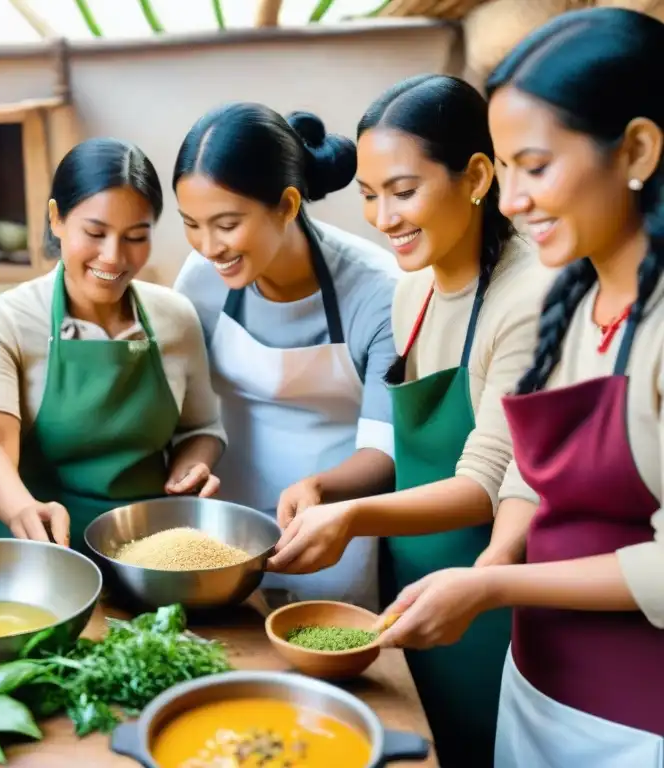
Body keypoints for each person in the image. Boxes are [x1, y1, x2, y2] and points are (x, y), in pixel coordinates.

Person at [372, 8, 664, 766]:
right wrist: (496, 567)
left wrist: (495, 588)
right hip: (534, 688)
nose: (508, 200)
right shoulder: (575, 303)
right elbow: (532, 473)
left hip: (638, 721)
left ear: (636, 148)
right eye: (506, 171)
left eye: (534, 167)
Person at [267, 75, 554, 768]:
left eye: (403, 191)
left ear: (478, 176)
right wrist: (330, 490)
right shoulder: (411, 292)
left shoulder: (531, 298)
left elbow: (487, 481)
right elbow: (412, 447)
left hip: (485, 597)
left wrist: (355, 518)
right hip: (406, 595)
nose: (383, 217)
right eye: (368, 195)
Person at [173, 103, 400, 611]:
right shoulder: (200, 281)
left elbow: (386, 449)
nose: (209, 246)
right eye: (192, 224)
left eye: (227, 224)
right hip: (219, 529)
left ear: (288, 204)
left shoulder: (377, 290)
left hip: (330, 525)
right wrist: (192, 465)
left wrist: (318, 489)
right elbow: (189, 411)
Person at [0, 138, 225, 549]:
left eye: (136, 236)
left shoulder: (176, 317)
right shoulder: (5, 321)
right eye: (95, 232)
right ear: (56, 219)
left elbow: (202, 427)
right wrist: (21, 509)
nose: (113, 257)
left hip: (148, 553)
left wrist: (192, 466)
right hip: (45, 551)